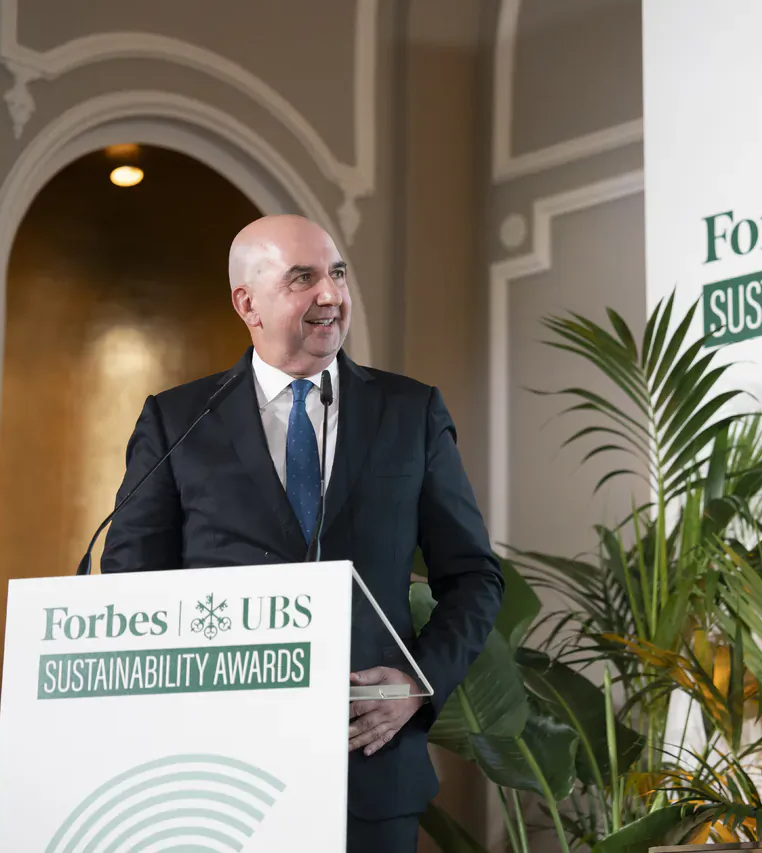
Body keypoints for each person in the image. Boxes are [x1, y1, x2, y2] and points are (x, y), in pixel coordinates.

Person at [100, 214, 504, 852]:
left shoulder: (410, 411)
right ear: (247, 303)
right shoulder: (176, 420)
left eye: (338, 274)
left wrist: (416, 683)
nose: (331, 296)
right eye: (303, 278)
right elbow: (130, 587)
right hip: (213, 778)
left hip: (367, 775)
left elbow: (474, 578)